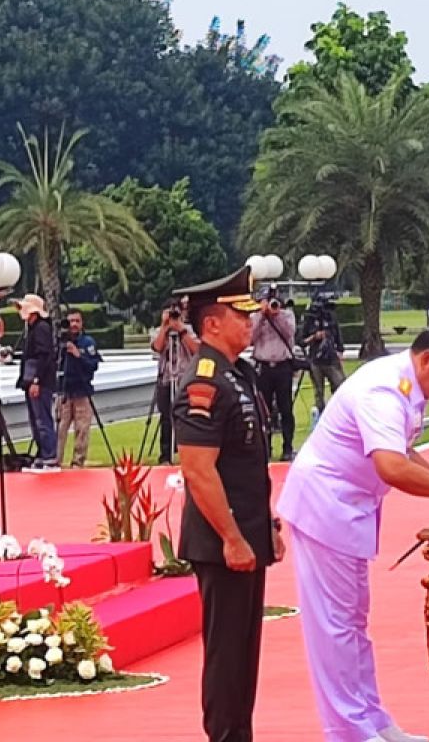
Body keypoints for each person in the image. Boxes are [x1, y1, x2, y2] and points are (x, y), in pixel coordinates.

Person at [277, 310, 429, 742]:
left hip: (347, 512)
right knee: (336, 629)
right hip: (326, 510)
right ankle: (348, 731)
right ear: (427, 361)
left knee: (352, 624)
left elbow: (401, 452)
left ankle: (372, 721)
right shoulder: (386, 388)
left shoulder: (404, 387)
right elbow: (392, 465)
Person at [173, 266, 281, 742]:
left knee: (245, 653)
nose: (251, 321)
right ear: (212, 324)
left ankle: (241, 733)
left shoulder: (239, 375)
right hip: (223, 541)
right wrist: (233, 538)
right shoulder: (205, 382)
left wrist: (267, 526)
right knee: (226, 655)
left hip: (247, 533)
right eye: (241, 314)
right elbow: (199, 470)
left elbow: (247, 465)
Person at [151, 295, 200, 464]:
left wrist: (181, 329)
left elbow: (196, 349)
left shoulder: (189, 329)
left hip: (185, 378)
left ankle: (189, 451)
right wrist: (165, 328)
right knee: (166, 416)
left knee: (188, 416)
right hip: (166, 378)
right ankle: (165, 454)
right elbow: (157, 347)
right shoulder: (158, 331)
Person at [14, 294, 59, 473]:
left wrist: (36, 380)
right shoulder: (33, 328)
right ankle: (43, 453)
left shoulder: (40, 328)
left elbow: (44, 356)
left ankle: (49, 454)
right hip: (33, 379)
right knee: (37, 419)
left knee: (42, 418)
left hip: (39, 381)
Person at [251, 291, 298, 461]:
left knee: (286, 408)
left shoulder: (287, 315)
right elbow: (250, 338)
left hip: (282, 366)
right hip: (263, 367)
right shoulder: (256, 317)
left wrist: (276, 316)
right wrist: (262, 316)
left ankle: (287, 447)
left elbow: (290, 333)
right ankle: (265, 447)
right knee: (264, 410)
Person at [55, 309, 102, 469]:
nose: (74, 324)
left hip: (82, 391)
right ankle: (55, 460)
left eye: (77, 321)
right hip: (64, 391)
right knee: (60, 429)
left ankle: (78, 461)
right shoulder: (59, 343)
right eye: (71, 321)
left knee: (82, 429)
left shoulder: (87, 342)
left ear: (82, 324)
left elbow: (93, 365)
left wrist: (78, 355)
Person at [299, 295, 345, 413]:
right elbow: (301, 341)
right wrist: (314, 337)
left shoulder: (331, 317)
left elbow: (338, 335)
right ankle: (320, 415)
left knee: (340, 386)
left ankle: (339, 413)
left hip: (331, 358)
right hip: (315, 359)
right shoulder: (309, 319)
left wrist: (340, 351)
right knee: (318, 392)